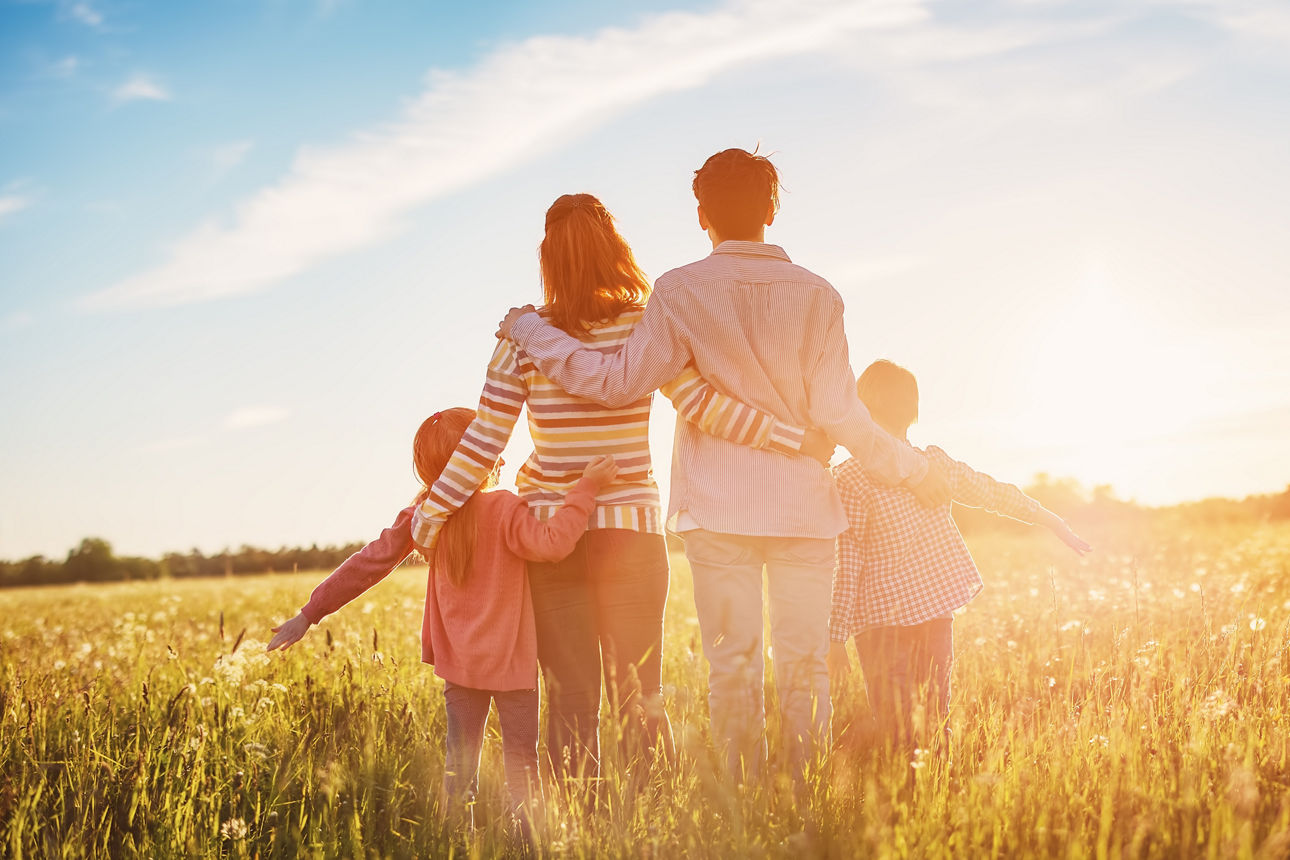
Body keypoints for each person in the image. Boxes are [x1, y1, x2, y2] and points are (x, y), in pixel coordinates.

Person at [496, 149, 952, 784]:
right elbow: (842, 414)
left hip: (717, 508)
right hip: (804, 510)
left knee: (732, 663)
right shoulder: (820, 295)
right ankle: (802, 792)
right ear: (772, 210)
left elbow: (619, 382)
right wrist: (913, 471)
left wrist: (530, 330)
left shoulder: (678, 291)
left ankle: (743, 792)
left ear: (701, 214)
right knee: (804, 665)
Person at [410, 193, 830, 792]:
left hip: (551, 537)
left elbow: (483, 440)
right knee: (639, 693)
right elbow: (702, 405)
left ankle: (579, 823)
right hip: (631, 533)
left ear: (547, 257)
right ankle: (647, 815)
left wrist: (432, 514)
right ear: (615, 247)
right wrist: (791, 438)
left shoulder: (523, 338)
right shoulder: (645, 327)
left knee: (571, 696)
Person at [267, 408, 620, 837]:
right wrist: (586, 488)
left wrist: (308, 614)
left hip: (459, 664)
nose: (499, 457)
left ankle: (456, 845)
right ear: (476, 457)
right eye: (489, 448)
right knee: (522, 768)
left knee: (459, 770)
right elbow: (553, 544)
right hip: (512, 663)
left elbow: (368, 564)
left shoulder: (424, 516)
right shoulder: (503, 508)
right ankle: (529, 846)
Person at [826, 360, 1091, 752]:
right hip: (890, 624)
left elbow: (848, 563)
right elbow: (848, 560)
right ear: (912, 409)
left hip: (915, 618)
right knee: (923, 725)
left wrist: (1049, 518)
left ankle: (924, 787)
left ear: (862, 408)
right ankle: (923, 786)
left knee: (919, 725)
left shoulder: (919, 466)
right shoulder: (859, 476)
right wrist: (1051, 519)